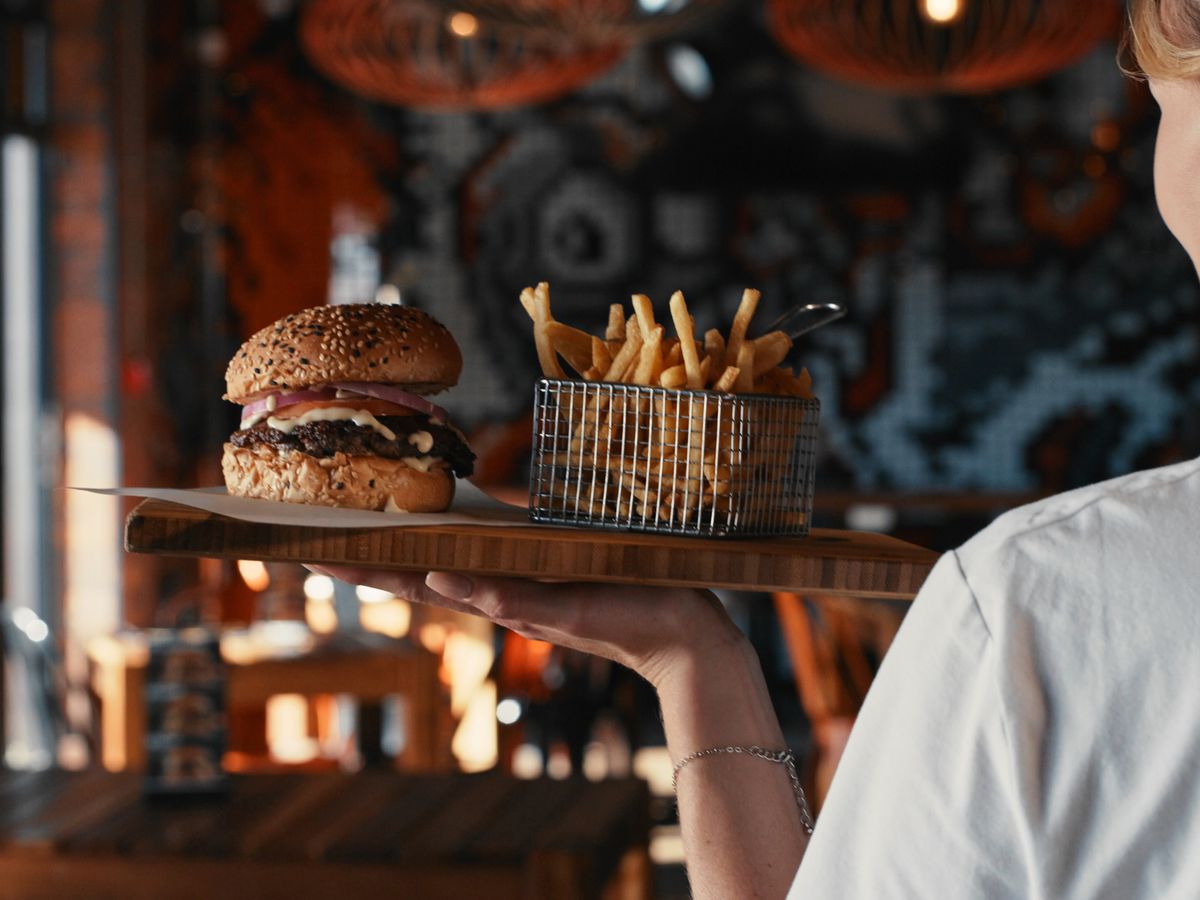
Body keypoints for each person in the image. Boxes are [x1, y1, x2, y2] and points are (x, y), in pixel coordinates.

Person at [313, 2, 1200, 896]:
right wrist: (687, 645)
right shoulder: (1038, 598)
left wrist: (690, 656)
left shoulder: (1036, 606)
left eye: (1159, 104)